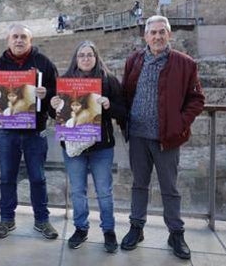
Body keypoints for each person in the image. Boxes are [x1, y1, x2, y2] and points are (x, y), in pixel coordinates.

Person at [120, 15, 205, 260]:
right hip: (137, 136)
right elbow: (125, 92)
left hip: (166, 138)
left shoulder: (184, 63)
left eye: (162, 32)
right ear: (145, 36)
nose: (157, 36)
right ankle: (137, 228)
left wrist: (179, 123)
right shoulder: (134, 60)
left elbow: (197, 99)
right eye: (153, 32)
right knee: (139, 184)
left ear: (169, 35)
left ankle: (176, 233)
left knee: (170, 187)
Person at [0, 24, 59, 240]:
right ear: (8, 40)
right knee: (7, 177)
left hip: (35, 132)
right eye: (15, 37)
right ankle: (7, 219)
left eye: (23, 37)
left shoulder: (43, 63)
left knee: (38, 178)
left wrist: (48, 94)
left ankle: (42, 220)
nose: (19, 40)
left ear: (30, 41)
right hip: (8, 132)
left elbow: (59, 95)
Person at [49, 40, 126, 251]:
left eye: (89, 55)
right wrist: (53, 105)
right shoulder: (64, 81)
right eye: (81, 55)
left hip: (101, 147)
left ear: (96, 57)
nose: (85, 59)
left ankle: (108, 231)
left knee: (104, 191)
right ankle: (81, 228)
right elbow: (54, 114)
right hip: (73, 147)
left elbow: (122, 110)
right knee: (78, 191)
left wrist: (109, 105)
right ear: (76, 58)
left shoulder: (108, 80)